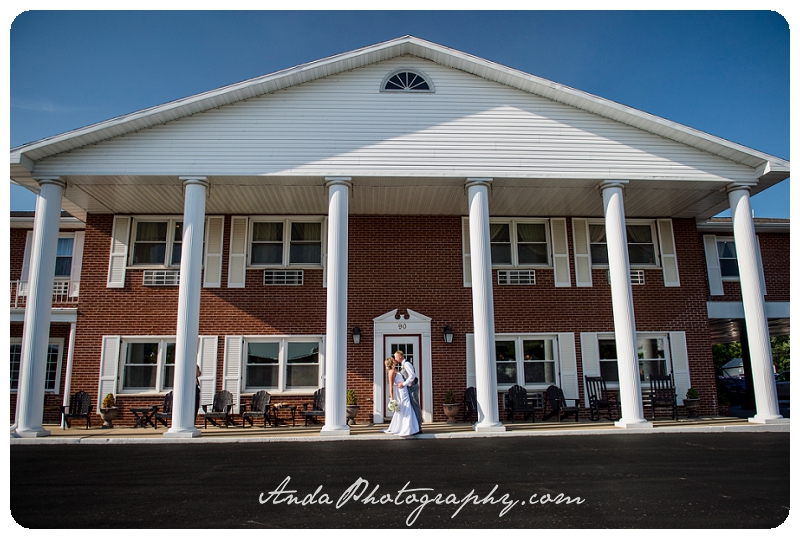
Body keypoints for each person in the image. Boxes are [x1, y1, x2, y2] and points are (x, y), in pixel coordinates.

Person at [382, 357, 420, 436]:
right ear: (391, 362)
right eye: (393, 360)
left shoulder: (395, 370)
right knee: (406, 406)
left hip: (404, 389)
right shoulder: (391, 372)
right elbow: (391, 386)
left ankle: (410, 427)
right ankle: (407, 428)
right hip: (401, 391)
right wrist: (391, 398)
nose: (395, 360)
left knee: (406, 407)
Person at [395, 350, 422, 434]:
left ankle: (419, 426)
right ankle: (414, 426)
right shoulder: (403, 365)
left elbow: (412, 376)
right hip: (409, 387)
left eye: (396, 357)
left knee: (415, 405)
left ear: (400, 356)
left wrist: (404, 384)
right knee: (412, 406)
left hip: (412, 387)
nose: (395, 359)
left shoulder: (406, 364)